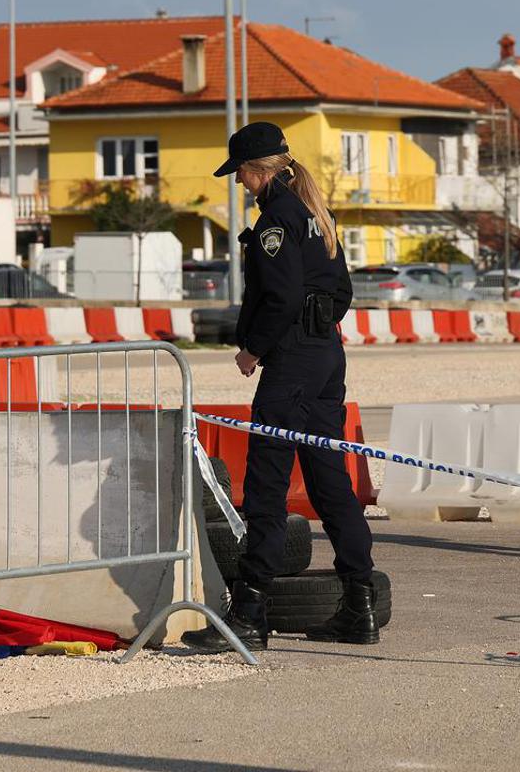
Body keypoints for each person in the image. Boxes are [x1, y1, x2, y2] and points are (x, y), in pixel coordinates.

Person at [182, 121, 377, 652]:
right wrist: (314, 335)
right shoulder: (317, 213)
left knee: (266, 485)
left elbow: (283, 295)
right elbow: (341, 292)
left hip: (290, 362)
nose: (240, 184)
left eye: (241, 174)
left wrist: (257, 348)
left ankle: (249, 612)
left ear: (255, 169)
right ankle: (359, 607)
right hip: (325, 359)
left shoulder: (277, 219)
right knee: (329, 481)